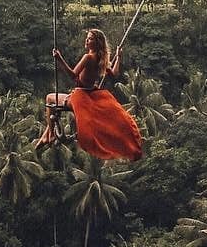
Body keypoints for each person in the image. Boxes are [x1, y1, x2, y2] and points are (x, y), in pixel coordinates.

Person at [35, 28, 143, 161]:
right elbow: (114, 74)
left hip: (81, 95)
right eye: (87, 38)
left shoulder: (88, 57)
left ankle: (50, 134)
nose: (86, 40)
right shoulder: (101, 59)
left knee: (49, 98)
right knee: (53, 110)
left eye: (90, 38)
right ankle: (47, 134)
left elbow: (73, 75)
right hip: (91, 93)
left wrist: (59, 59)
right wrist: (118, 57)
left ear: (97, 43)